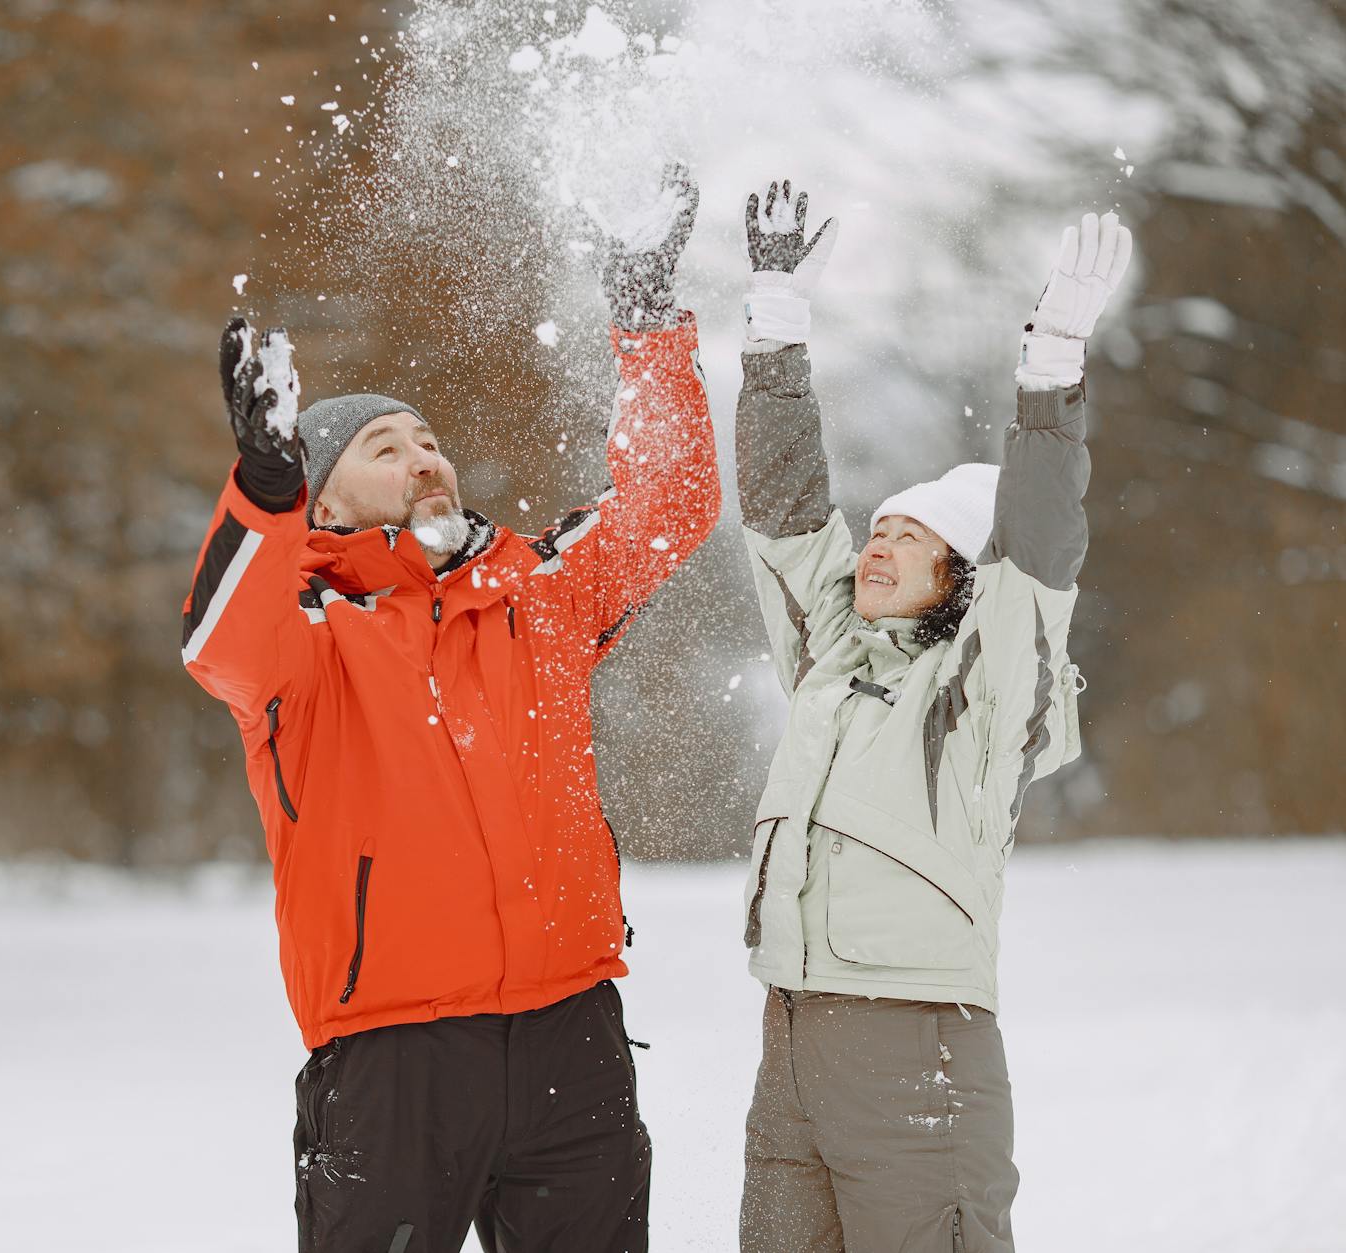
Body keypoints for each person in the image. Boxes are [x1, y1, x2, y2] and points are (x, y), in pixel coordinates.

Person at [180, 166, 718, 1251]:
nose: (422, 455)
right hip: (391, 1055)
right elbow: (216, 641)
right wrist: (262, 485)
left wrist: (647, 319)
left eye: (427, 438)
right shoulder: (304, 640)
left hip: (570, 1028)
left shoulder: (533, 592)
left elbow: (667, 504)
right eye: (383, 447)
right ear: (322, 497)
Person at [729, 181, 1131, 1251]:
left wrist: (1048, 375)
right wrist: (775, 333)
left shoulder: (980, 698)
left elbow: (1036, 558)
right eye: (881, 524)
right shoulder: (830, 662)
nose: (876, 542)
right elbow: (782, 517)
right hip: (791, 1045)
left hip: (919, 1061)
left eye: (912, 537)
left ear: (960, 574)